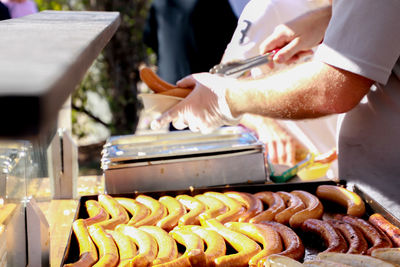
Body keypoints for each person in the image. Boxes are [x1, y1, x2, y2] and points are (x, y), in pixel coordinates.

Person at [152, 1, 400, 215]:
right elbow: (227, 72)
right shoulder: (266, 9)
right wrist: (329, 17)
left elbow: (331, 89)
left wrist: (225, 100)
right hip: (362, 186)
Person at [221, 0, 336, 169]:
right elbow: (220, 86)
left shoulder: (368, 8)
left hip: (363, 171)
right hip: (304, 172)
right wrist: (265, 125)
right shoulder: (267, 8)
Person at [143, 0, 240, 84]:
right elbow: (235, 39)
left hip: (166, 84)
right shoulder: (215, 3)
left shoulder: (160, 2)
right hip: (200, 85)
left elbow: (150, 39)